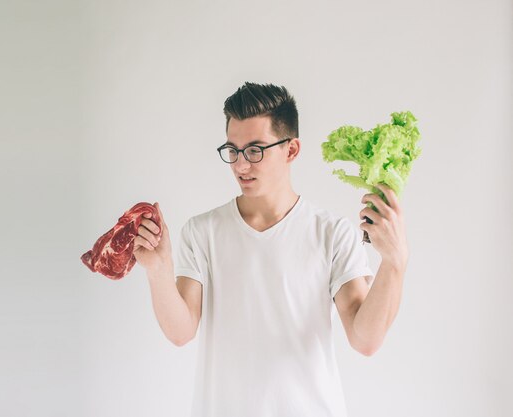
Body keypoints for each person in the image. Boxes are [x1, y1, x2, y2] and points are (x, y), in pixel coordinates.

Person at [132, 82, 408, 417]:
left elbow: (365, 339)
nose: (240, 165)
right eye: (232, 150)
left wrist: (394, 262)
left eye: (254, 150)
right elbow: (181, 332)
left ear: (291, 150)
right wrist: (159, 268)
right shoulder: (202, 231)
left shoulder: (331, 233)